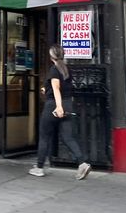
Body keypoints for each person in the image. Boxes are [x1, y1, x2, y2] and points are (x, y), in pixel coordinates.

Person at [30, 45, 91, 180]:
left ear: (52, 57)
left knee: (44, 136)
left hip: (54, 106)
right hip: (68, 104)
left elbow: (56, 88)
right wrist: (46, 89)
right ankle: (82, 163)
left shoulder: (54, 69)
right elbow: (62, 88)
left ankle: (39, 167)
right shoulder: (66, 69)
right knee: (68, 137)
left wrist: (58, 107)